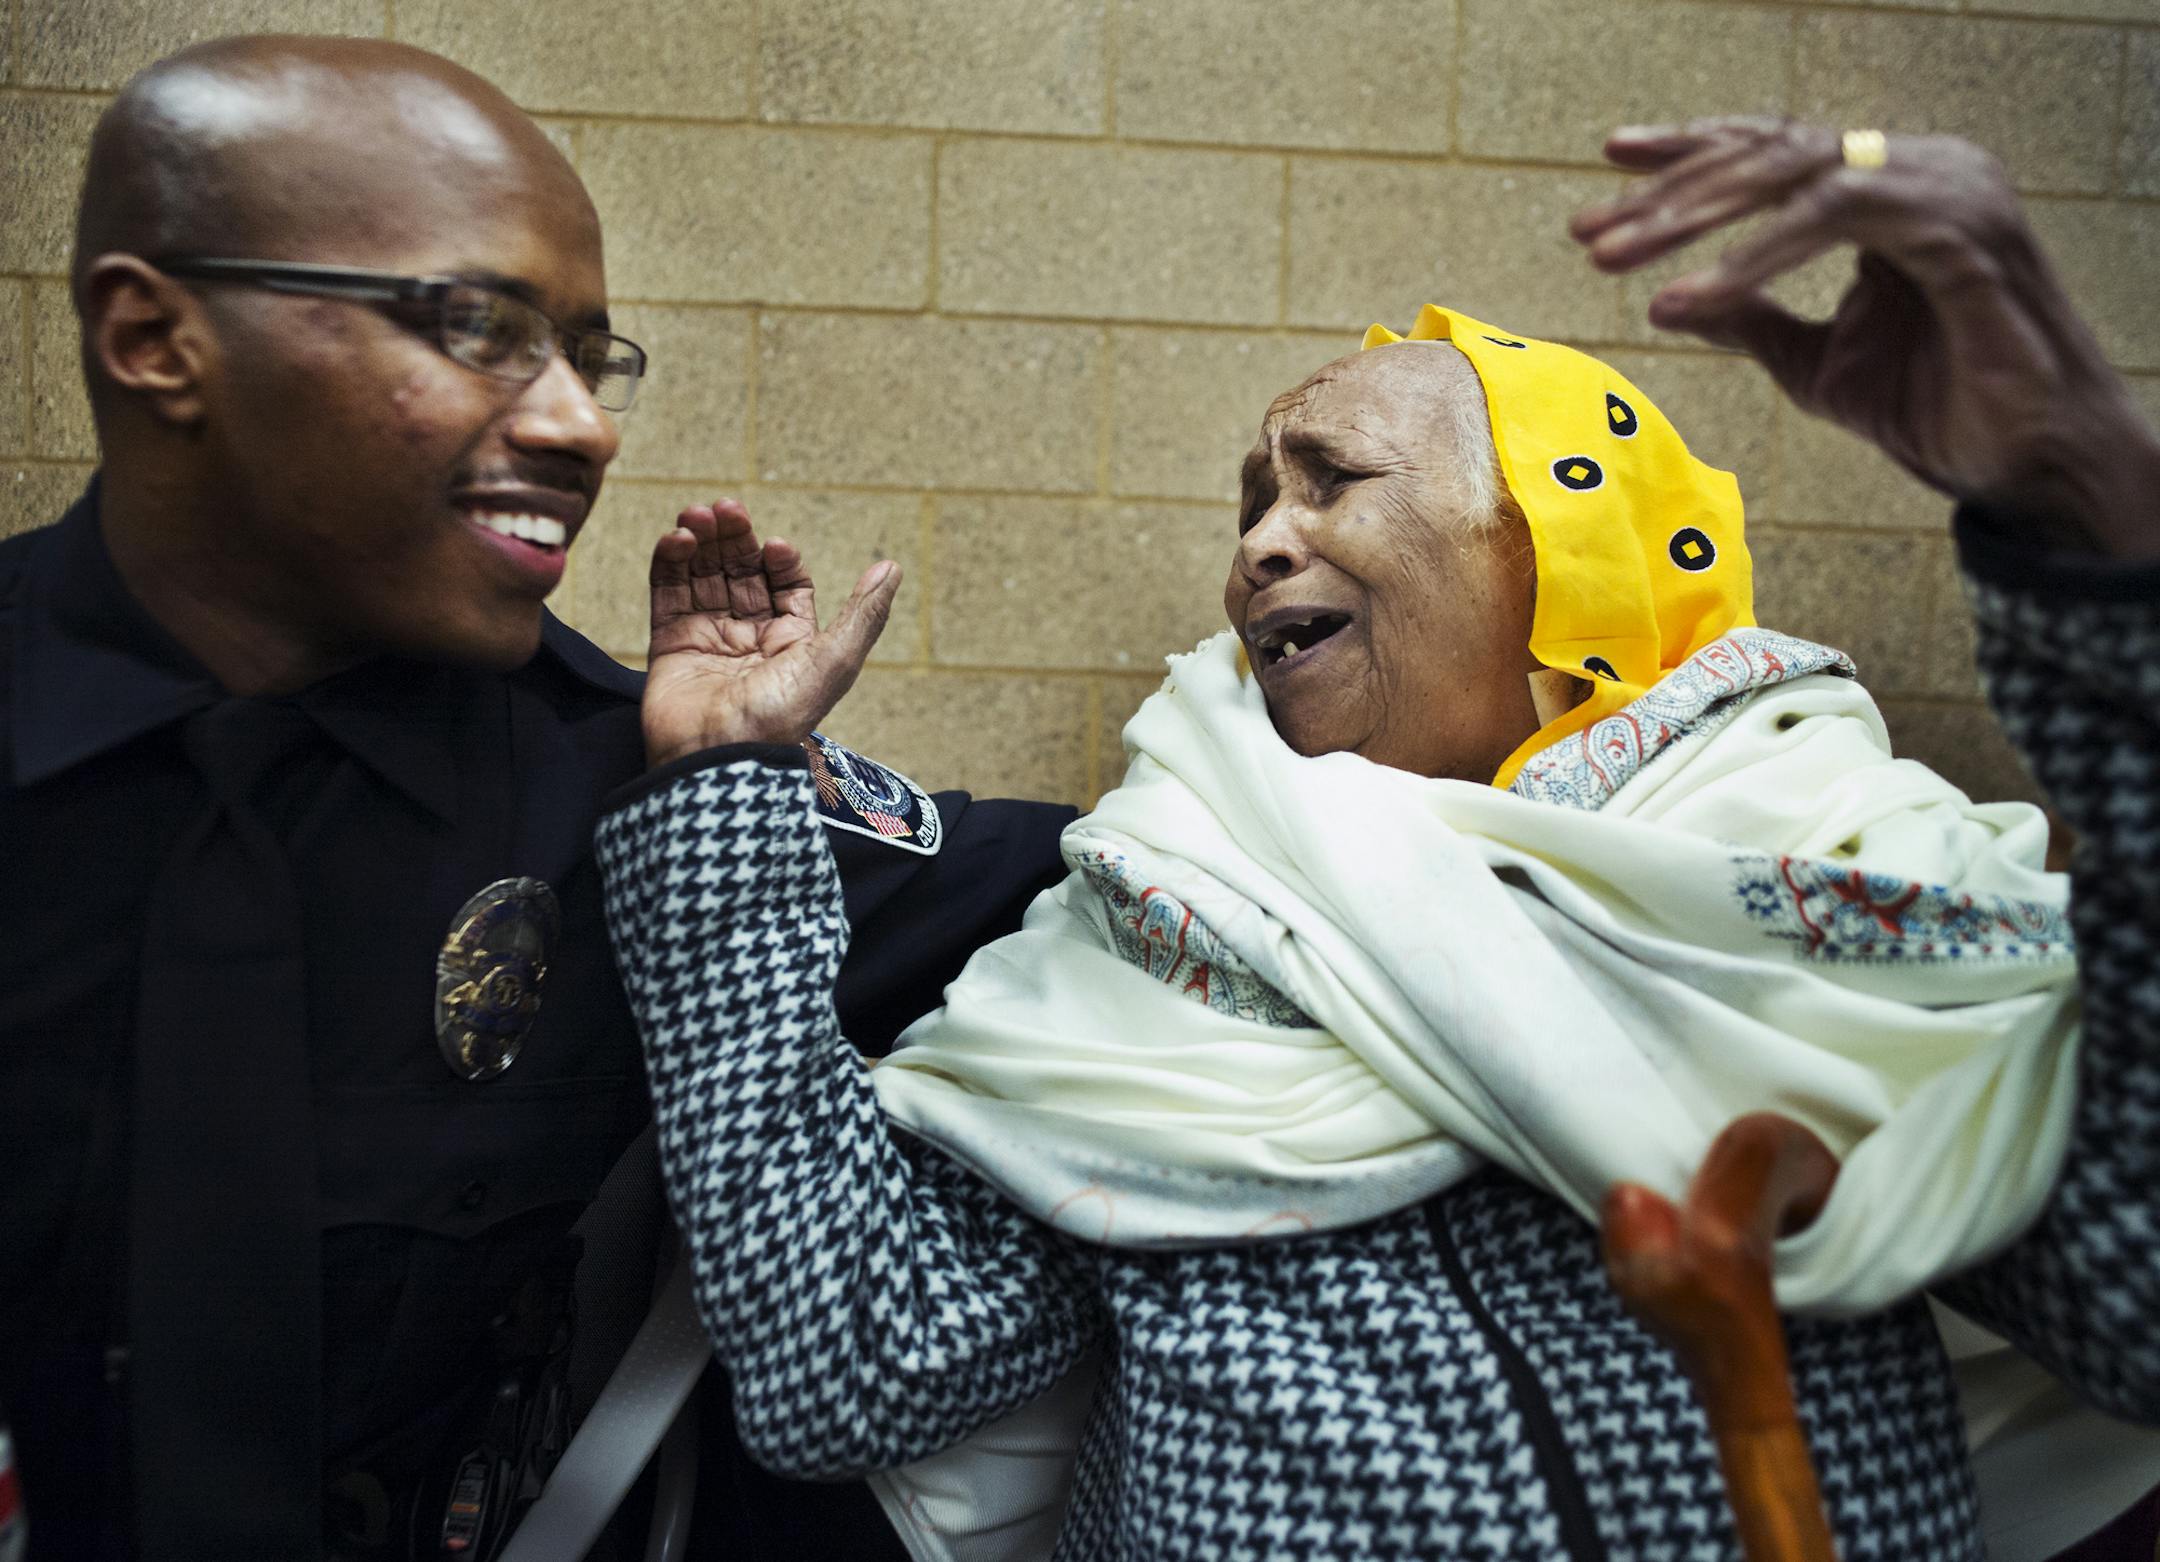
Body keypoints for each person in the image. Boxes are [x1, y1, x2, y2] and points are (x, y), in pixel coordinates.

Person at [592, 119, 2160, 1559]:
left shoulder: (1835, 881)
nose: (1260, 542)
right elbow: (849, 1369)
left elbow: (2135, 1303)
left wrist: (2091, 496)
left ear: (1565, 546)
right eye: (1251, 504)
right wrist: (723, 793)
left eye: (1329, 479)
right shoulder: (1161, 921)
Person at [0, 35, 1072, 1562]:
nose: (583, 426)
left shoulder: (624, 777)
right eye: (478, 327)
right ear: (156, 338)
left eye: (590, 354)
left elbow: (1095, 872)